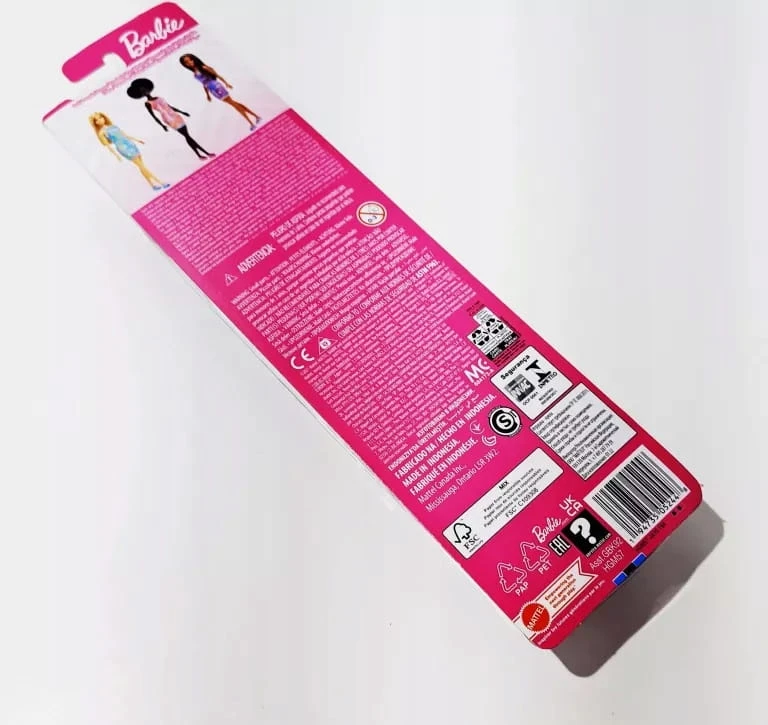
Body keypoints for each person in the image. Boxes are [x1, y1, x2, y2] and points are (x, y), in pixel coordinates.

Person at [126, 78, 214, 161]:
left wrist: (182, 112)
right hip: (168, 119)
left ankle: (200, 155)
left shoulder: (158, 97)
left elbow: (169, 106)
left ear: (148, 88)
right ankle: (205, 154)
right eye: (142, 92)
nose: (145, 92)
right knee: (187, 136)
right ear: (141, 94)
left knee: (187, 136)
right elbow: (154, 116)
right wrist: (162, 125)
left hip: (175, 116)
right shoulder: (148, 103)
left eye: (145, 89)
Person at [179, 53, 262, 130]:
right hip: (212, 90)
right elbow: (204, 84)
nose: (189, 63)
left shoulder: (203, 67)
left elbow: (217, 75)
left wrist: (226, 83)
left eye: (190, 60)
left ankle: (251, 123)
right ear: (185, 65)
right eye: (186, 62)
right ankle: (256, 117)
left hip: (217, 87)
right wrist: (207, 95)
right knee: (234, 103)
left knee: (234, 104)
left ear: (193, 59)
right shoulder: (195, 73)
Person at [88, 112, 169, 190]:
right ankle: (160, 182)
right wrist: (116, 155)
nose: (100, 120)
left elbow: (125, 135)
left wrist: (137, 140)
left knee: (141, 166)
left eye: (100, 117)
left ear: (104, 117)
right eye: (97, 120)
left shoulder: (113, 126)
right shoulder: (102, 133)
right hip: (123, 147)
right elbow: (109, 146)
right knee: (141, 166)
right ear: (95, 123)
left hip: (130, 144)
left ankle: (152, 185)